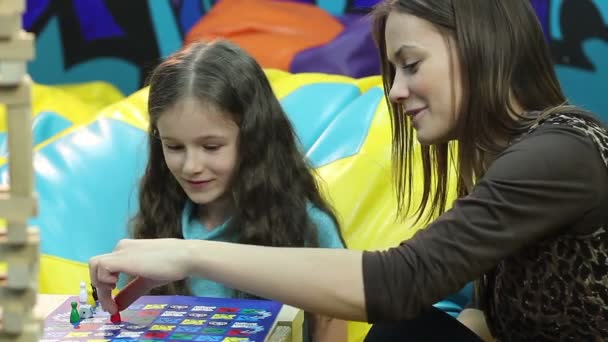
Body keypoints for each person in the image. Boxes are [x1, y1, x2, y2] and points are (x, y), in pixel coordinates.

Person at [89, 1, 608, 341]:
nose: (396, 90)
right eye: (392, 71)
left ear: (477, 48)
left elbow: (401, 282)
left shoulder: (559, 152)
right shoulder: (506, 158)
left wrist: (189, 254)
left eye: (411, 64)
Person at [113, 40, 348, 341]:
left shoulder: (307, 228)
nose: (191, 166)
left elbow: (331, 328)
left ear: (254, 138)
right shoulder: (158, 223)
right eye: (174, 147)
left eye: (211, 147)